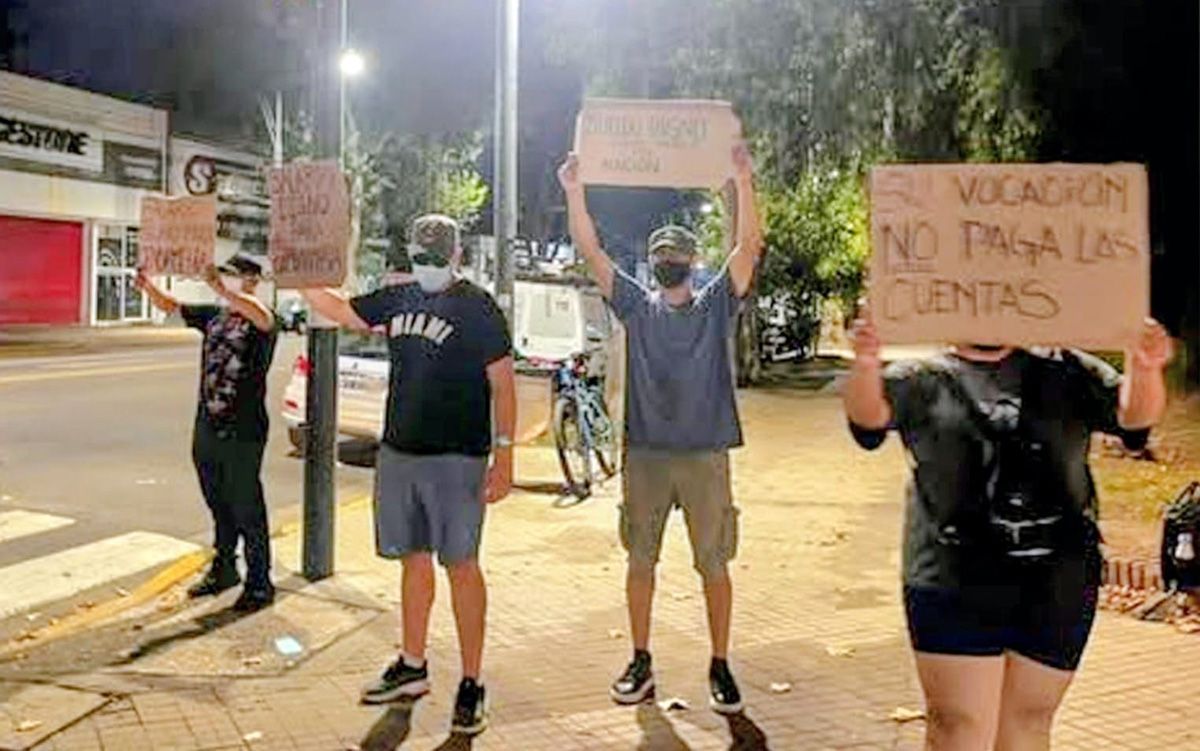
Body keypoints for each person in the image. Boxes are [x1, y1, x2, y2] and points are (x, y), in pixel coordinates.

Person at [843, 312, 1172, 751]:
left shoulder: (1069, 370)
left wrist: (1145, 366)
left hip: (1057, 581)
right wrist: (864, 362)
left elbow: (1133, 417)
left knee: (1029, 726)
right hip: (951, 580)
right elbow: (868, 420)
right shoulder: (920, 378)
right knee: (957, 728)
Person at [557, 143, 764, 714]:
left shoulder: (715, 304)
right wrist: (575, 190)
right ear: (655, 263)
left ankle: (720, 664)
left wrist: (744, 182)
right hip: (645, 456)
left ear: (693, 261)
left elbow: (747, 248)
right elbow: (590, 248)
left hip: (704, 456)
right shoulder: (635, 305)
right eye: (662, 253)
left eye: (677, 252)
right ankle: (641, 659)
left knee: (713, 565)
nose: (669, 259)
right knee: (639, 562)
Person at [301, 214, 514, 737]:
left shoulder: (478, 307)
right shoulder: (397, 299)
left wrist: (504, 456)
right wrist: (299, 274)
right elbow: (343, 309)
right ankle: (412, 666)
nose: (428, 268)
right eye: (421, 259)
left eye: (436, 259)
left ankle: (471, 682)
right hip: (400, 454)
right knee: (411, 560)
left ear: (456, 256)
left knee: (461, 565)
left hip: (458, 458)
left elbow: (503, 385)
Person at [136, 254, 280, 613]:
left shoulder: (261, 320)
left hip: (243, 428)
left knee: (247, 503)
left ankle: (260, 580)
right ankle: (224, 567)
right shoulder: (215, 317)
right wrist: (148, 285)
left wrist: (221, 288)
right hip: (209, 424)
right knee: (218, 500)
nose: (226, 281)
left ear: (251, 281)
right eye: (224, 275)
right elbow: (172, 306)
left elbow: (261, 317)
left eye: (234, 276)